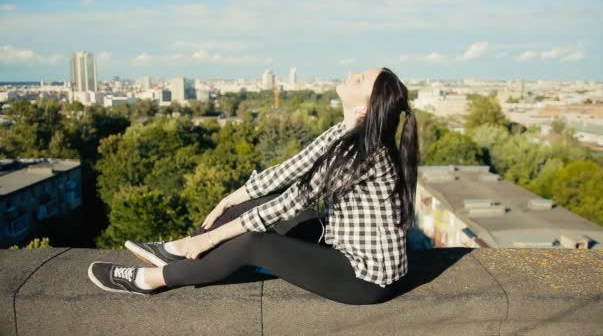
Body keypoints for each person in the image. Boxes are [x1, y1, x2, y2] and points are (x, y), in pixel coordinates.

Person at [87, 67, 420, 305]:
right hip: (339, 245)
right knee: (252, 204)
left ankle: (152, 280)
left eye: (360, 79)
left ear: (364, 107)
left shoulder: (363, 152)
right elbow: (291, 169)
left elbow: (293, 200)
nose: (352, 73)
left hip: (366, 279)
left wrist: (213, 236)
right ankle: (182, 251)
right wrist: (229, 199)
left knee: (252, 243)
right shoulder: (346, 133)